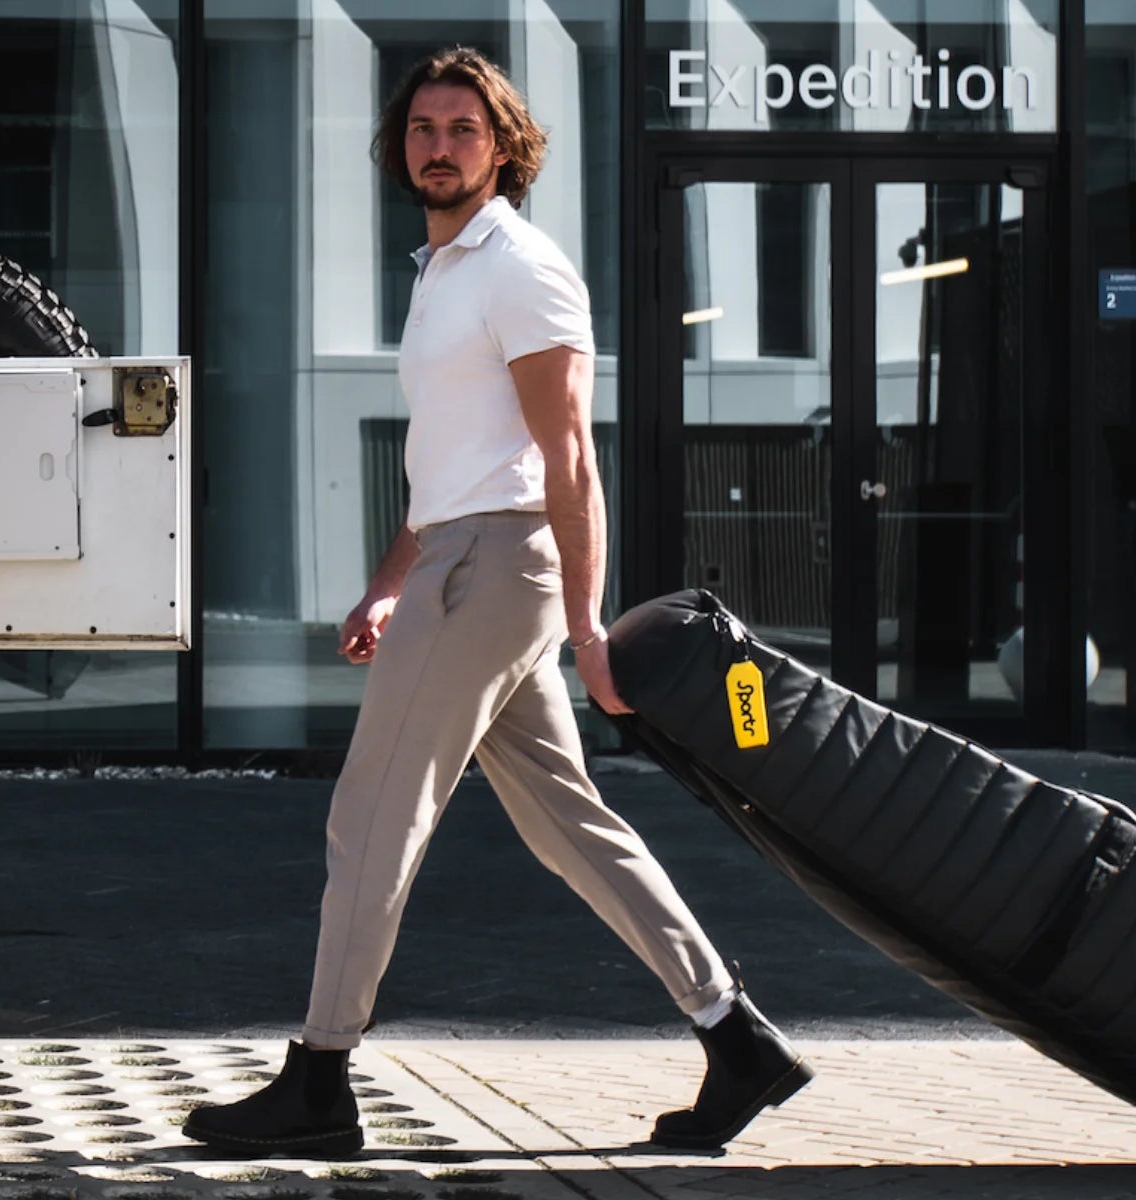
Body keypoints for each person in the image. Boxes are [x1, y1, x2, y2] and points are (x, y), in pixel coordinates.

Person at [181, 47, 809, 1157]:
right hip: (457, 562)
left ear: (505, 145)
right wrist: (387, 584)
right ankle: (737, 1037)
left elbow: (567, 459)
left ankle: (320, 1078)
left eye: (461, 128)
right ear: (398, 149)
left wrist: (583, 627)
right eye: (421, 128)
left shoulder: (517, 265)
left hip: (496, 572)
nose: (437, 145)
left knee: (370, 814)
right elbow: (449, 463)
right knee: (571, 826)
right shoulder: (440, 273)